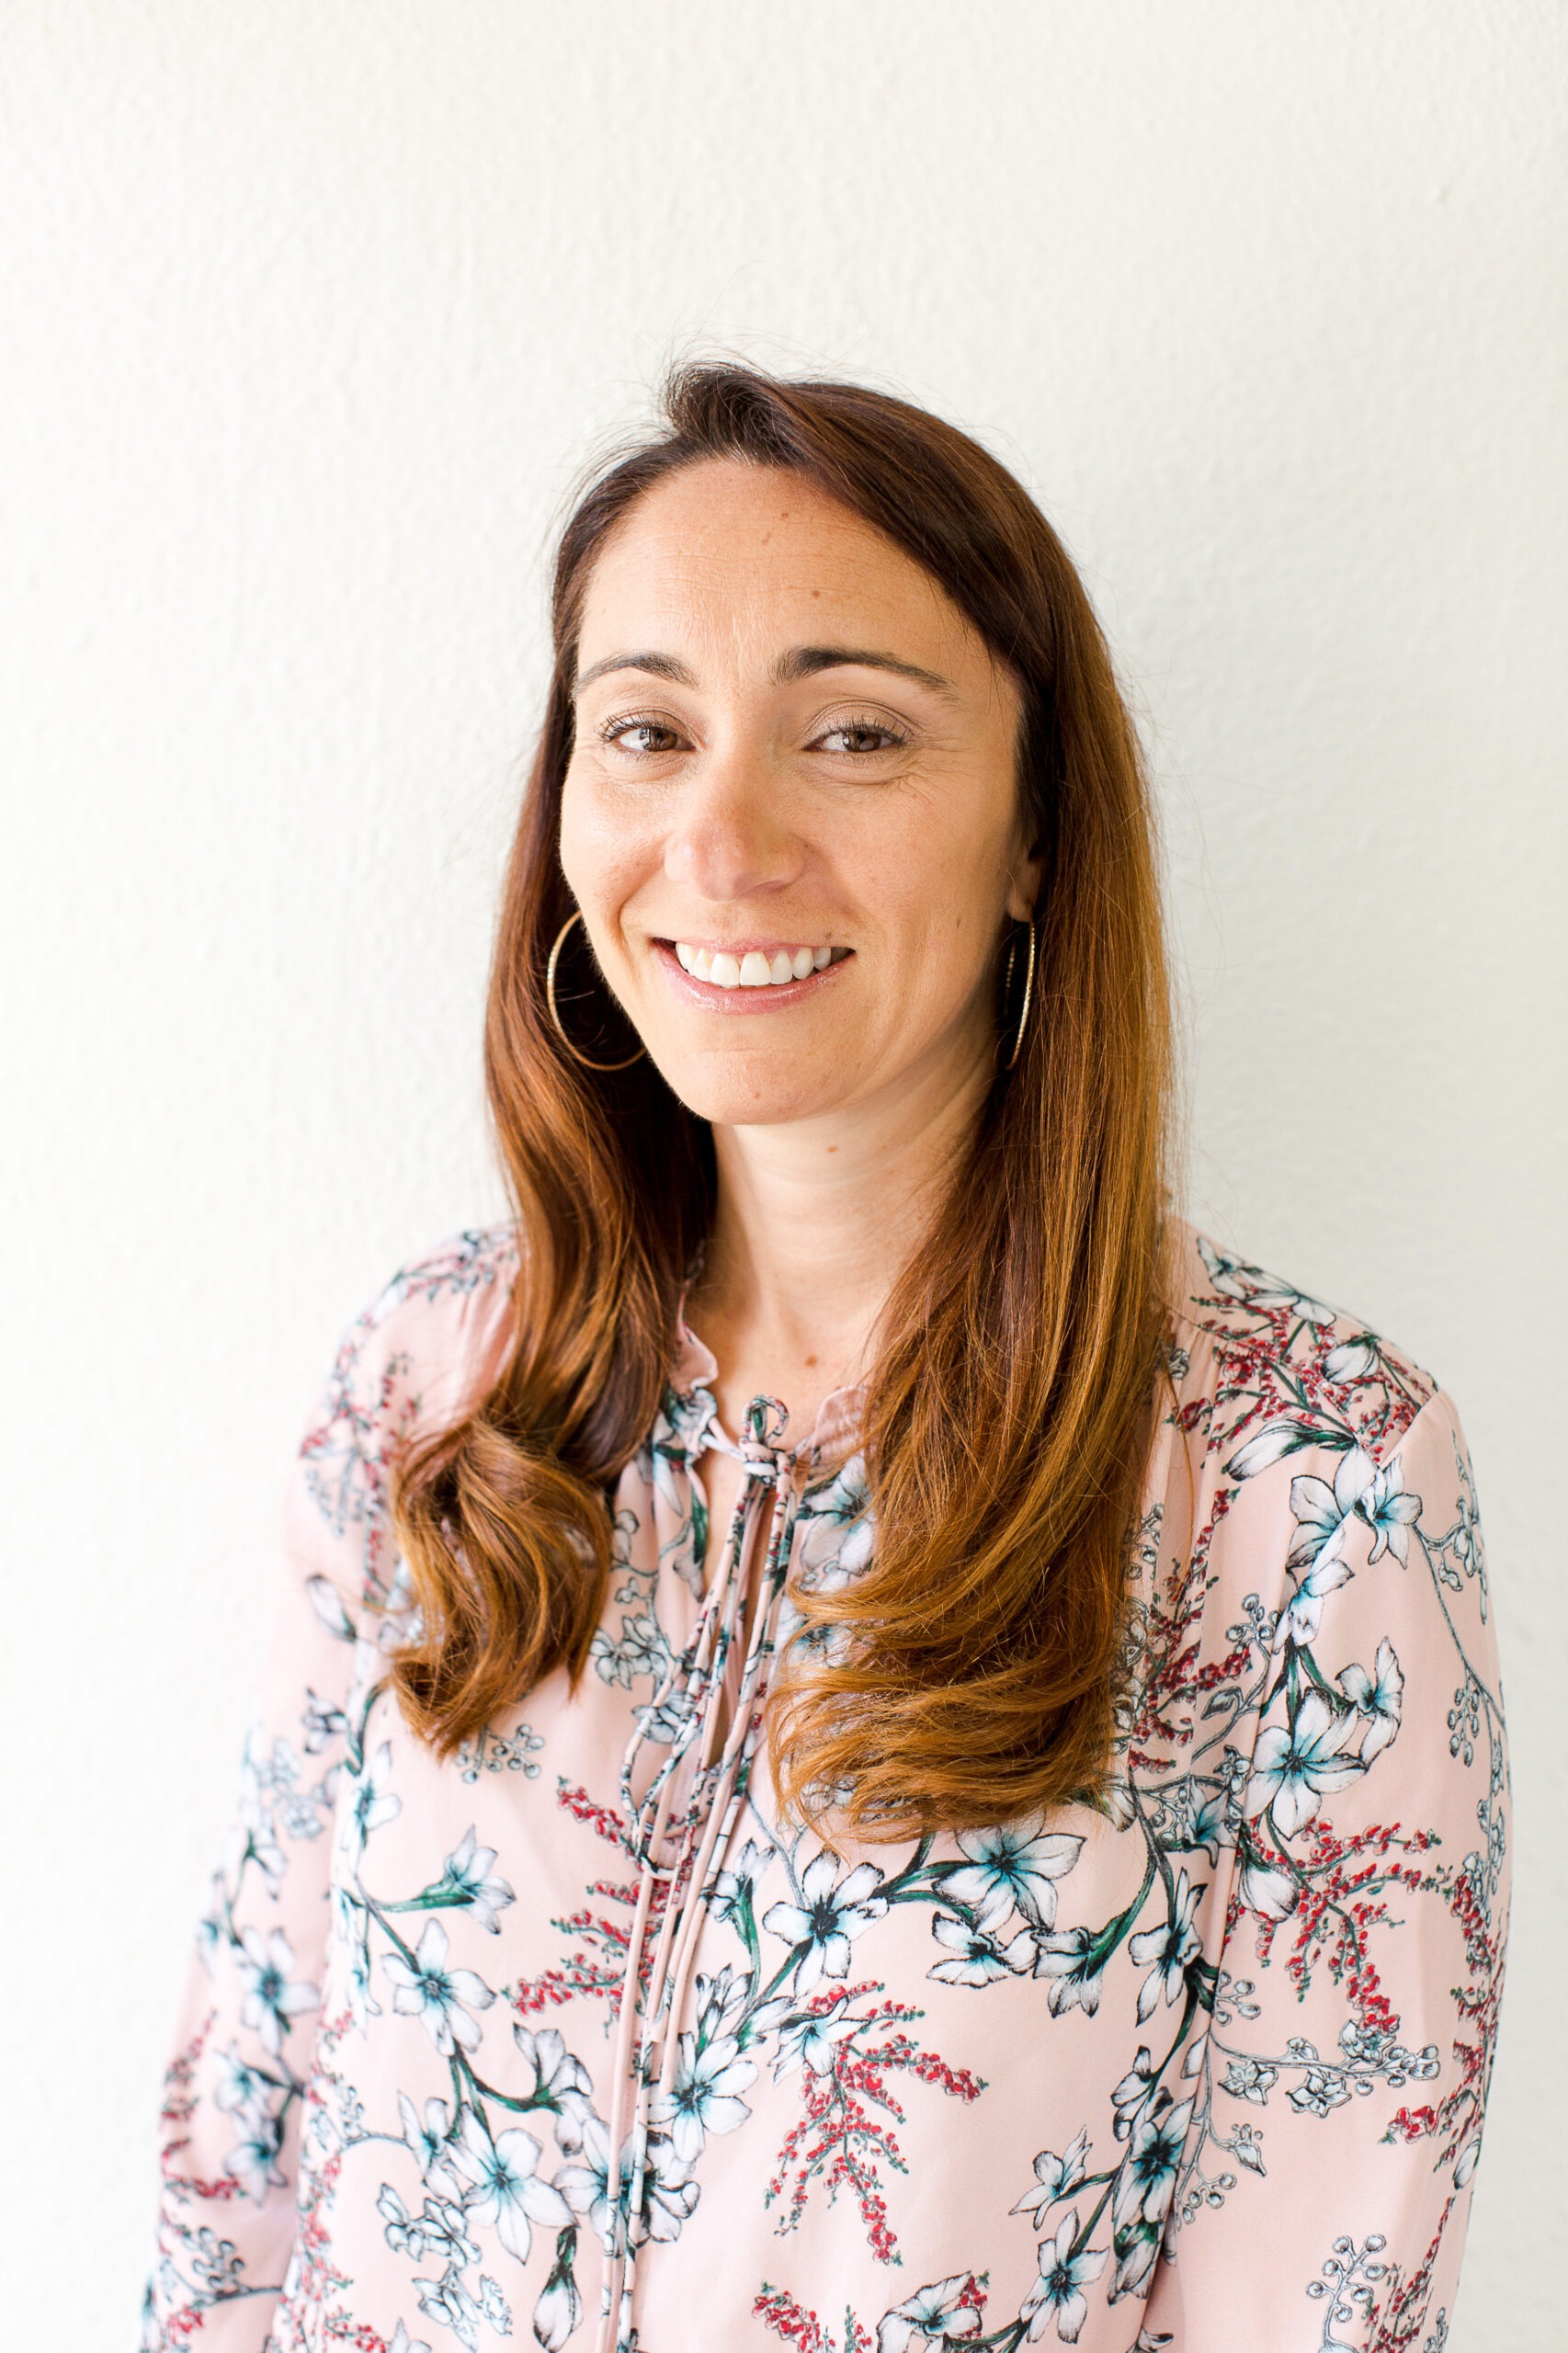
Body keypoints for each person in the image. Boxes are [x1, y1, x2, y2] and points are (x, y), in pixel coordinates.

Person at [142, 366, 1508, 2353]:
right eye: (645, 732)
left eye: (850, 731)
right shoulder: (430, 1385)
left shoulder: (1307, 1484)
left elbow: (1323, 2291)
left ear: (1038, 830)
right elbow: (238, 2147)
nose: (722, 834)